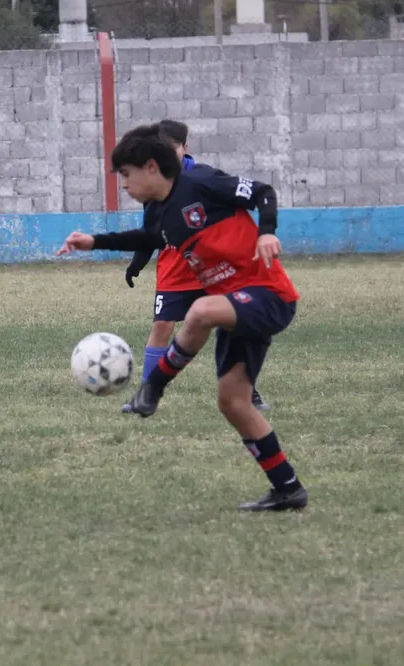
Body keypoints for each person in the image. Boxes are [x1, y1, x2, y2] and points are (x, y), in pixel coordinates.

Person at [56, 124, 307, 512]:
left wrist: (266, 232)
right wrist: (95, 242)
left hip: (267, 294)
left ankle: (153, 387)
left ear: (151, 167)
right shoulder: (160, 211)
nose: (123, 184)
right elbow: (150, 239)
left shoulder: (201, 182)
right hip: (235, 307)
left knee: (200, 310)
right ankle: (288, 489)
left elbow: (263, 192)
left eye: (125, 174)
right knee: (233, 402)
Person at [127, 120, 271, 413]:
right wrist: (137, 263)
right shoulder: (154, 183)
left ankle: (248, 391)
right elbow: (151, 230)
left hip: (213, 264)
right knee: (162, 325)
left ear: (184, 149)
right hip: (174, 266)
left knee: (231, 325)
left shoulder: (206, 178)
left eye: (173, 149)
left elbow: (243, 201)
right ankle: (146, 393)